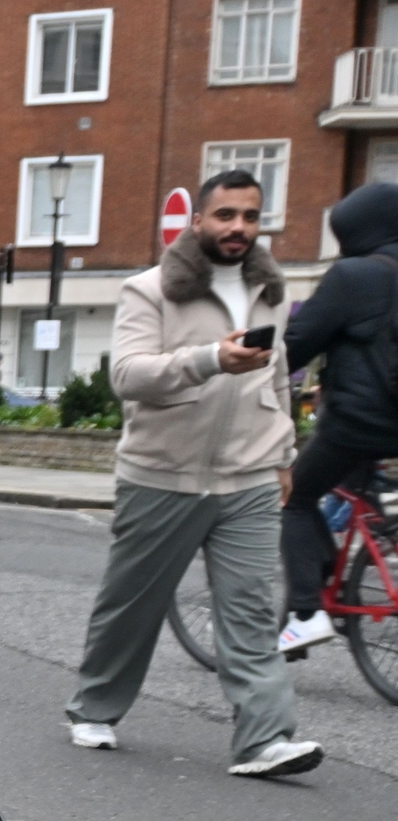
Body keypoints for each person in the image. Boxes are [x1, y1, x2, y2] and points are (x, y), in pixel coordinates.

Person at [65, 168, 322, 778]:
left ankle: (264, 740)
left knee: (252, 609)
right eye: (226, 215)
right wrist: (211, 359)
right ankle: (95, 707)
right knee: (132, 604)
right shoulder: (150, 289)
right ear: (199, 220)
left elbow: (279, 378)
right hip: (162, 473)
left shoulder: (270, 291)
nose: (238, 228)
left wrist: (285, 456)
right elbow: (128, 376)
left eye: (251, 217)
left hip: (250, 475)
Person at [282, 181, 398, 654]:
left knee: (298, 495)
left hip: (359, 423)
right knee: (353, 492)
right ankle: (344, 558)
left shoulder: (353, 275)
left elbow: (295, 345)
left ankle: (306, 612)